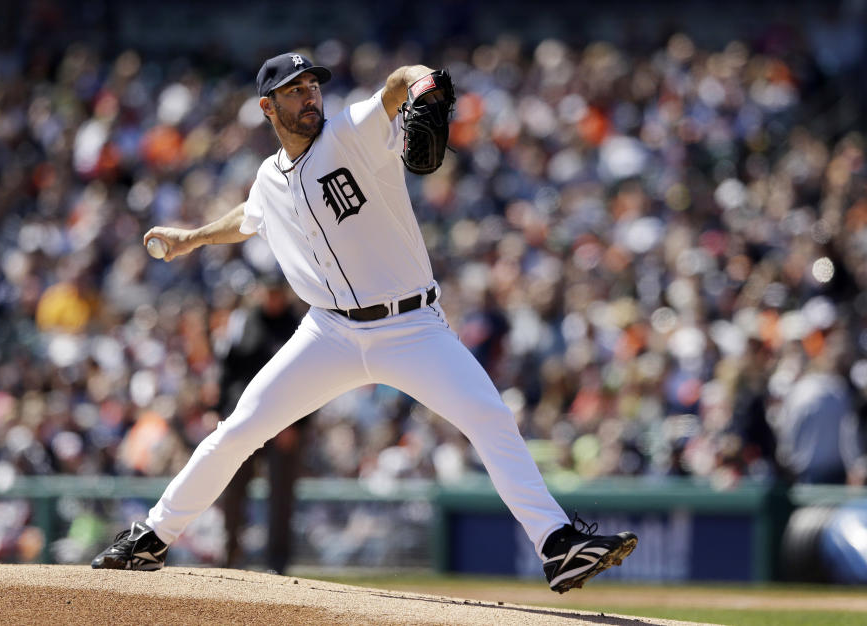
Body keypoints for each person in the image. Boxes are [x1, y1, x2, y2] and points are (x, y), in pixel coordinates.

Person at [91, 52, 637, 593]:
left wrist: (424, 84)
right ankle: (152, 536)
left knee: (488, 416)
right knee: (239, 428)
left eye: (312, 87)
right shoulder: (268, 177)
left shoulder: (350, 131)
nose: (309, 97)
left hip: (411, 326)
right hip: (329, 333)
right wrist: (194, 238)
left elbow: (399, 84)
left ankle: (557, 544)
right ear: (267, 106)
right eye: (295, 90)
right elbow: (250, 215)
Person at [219, 278, 305, 574]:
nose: (272, 298)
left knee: (281, 495)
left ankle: (277, 564)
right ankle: (230, 556)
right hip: (244, 418)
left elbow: (310, 380)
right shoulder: (245, 323)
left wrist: (295, 424)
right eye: (267, 293)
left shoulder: (299, 325)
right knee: (232, 489)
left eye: (276, 293)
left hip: (283, 423)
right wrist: (217, 411)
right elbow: (228, 372)